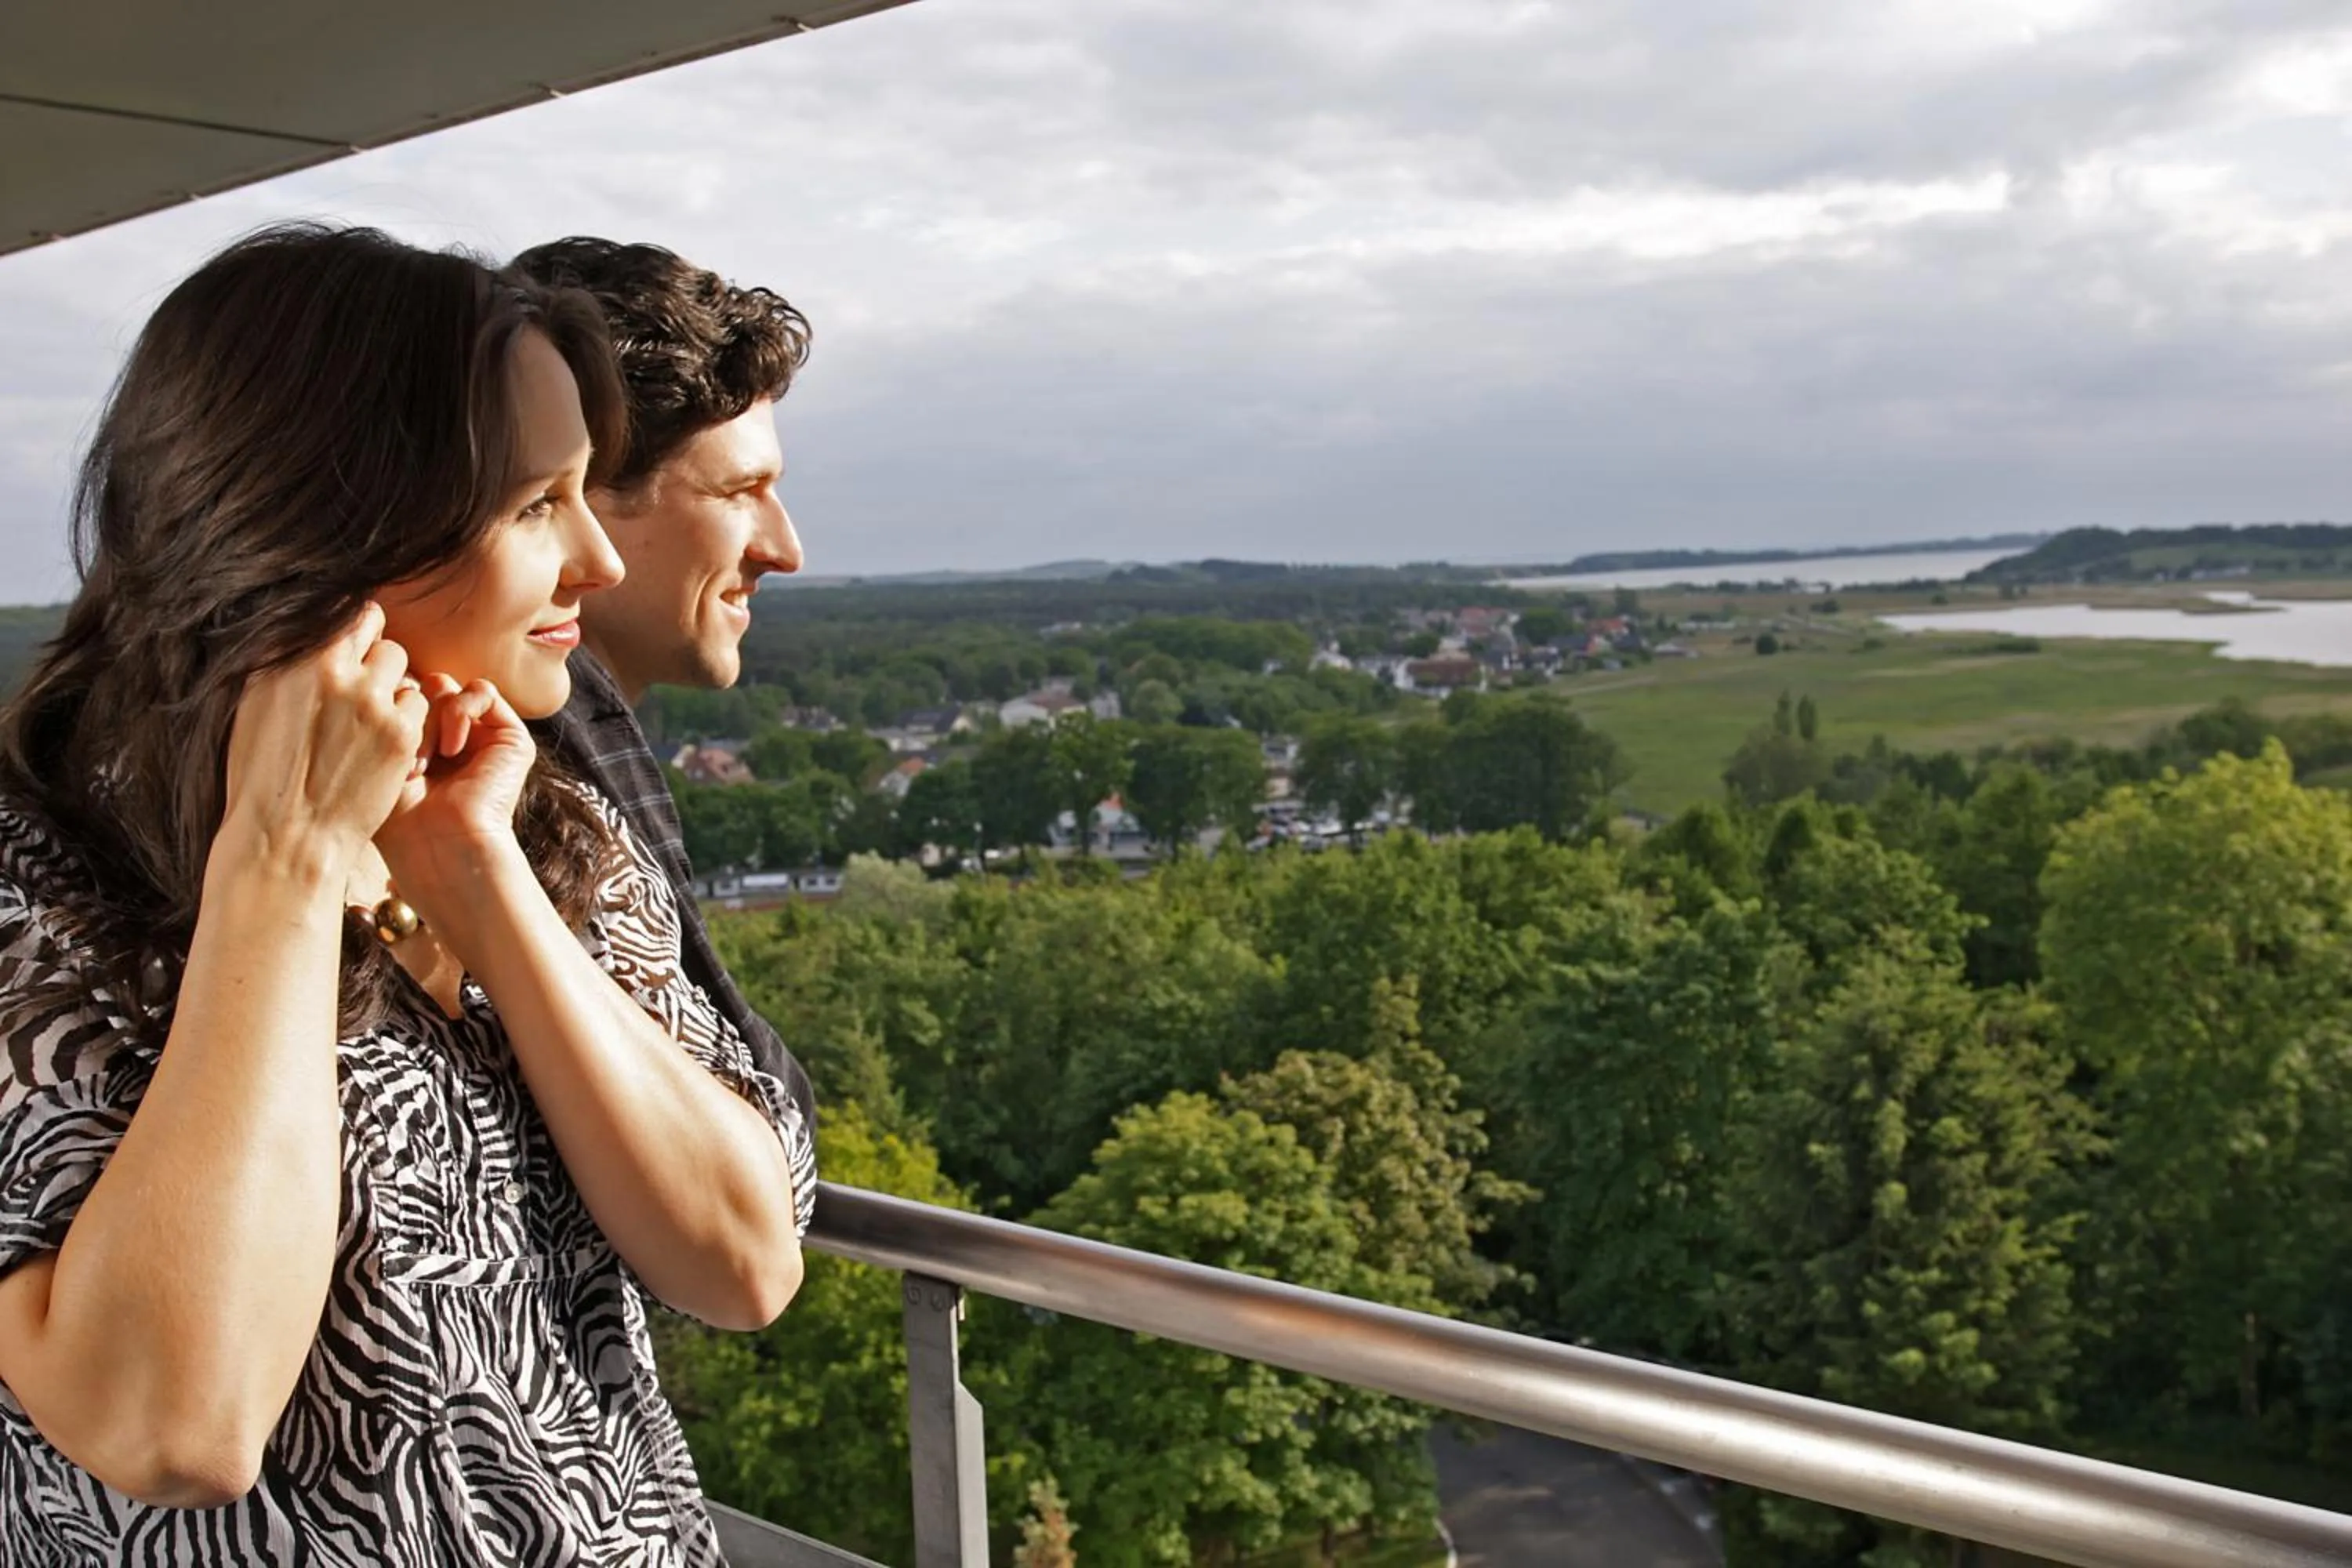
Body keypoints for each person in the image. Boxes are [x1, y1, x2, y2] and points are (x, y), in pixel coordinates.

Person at [0, 224, 810, 1564]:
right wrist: (284, 870)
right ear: (324, 523)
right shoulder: (40, 891)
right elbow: (169, 1423)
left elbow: (742, 1261)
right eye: (537, 503)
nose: (597, 566)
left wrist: (484, 886)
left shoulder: (544, 827)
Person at [506, 237, 819, 1157]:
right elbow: (765, 1159)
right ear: (575, 492)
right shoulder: (517, 790)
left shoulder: (555, 759)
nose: (784, 547)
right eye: (741, 491)